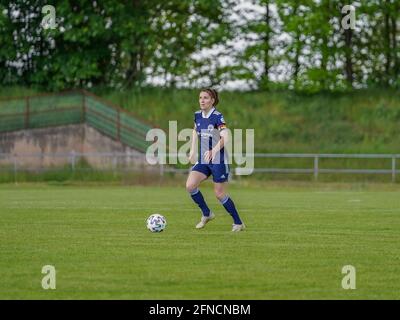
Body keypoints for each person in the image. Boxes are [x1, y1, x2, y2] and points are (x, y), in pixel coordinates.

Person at [186, 88, 245, 232]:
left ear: (212, 101)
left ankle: (238, 223)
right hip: (203, 160)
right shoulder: (197, 115)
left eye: (206, 98)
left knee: (219, 194)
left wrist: (214, 150)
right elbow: (195, 130)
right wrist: (193, 150)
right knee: (190, 185)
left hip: (219, 160)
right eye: (200, 97)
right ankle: (207, 214)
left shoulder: (218, 116)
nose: (202, 100)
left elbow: (226, 136)